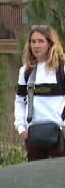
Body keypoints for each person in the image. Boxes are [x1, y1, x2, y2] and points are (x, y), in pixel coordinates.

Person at [13, 25, 65, 161]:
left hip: (59, 135)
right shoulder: (25, 71)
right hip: (33, 136)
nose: (36, 45)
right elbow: (19, 101)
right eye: (33, 41)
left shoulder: (61, 69)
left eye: (41, 41)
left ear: (50, 43)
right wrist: (21, 128)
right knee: (35, 178)